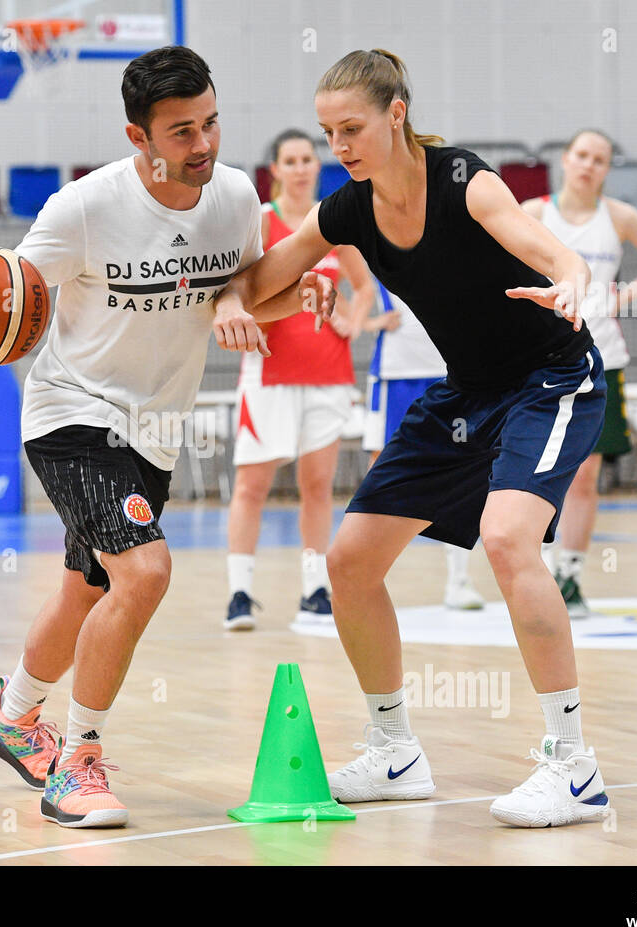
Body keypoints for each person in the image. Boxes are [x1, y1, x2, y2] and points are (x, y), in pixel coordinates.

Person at [0, 47, 331, 829]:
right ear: (137, 136)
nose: (204, 144)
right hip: (72, 415)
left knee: (90, 587)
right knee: (143, 573)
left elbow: (237, 295)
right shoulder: (84, 208)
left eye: (211, 122)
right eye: (182, 132)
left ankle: (11, 716)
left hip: (154, 431)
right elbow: (7, 292)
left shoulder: (236, 196)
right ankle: (76, 763)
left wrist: (291, 294)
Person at [214, 48, 614, 827]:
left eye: (352, 128)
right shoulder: (348, 208)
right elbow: (263, 287)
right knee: (350, 561)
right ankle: (393, 748)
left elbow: (545, 246)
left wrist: (571, 278)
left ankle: (573, 765)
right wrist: (243, 299)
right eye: (330, 133)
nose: (341, 147)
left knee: (507, 540)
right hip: (467, 392)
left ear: (396, 113)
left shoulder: (465, 180)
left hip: (551, 378)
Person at [224, 128, 376, 631]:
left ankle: (315, 588)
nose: (300, 167)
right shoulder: (260, 225)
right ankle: (240, 592)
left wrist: (354, 320)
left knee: (318, 485)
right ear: (275, 170)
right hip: (270, 374)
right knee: (253, 485)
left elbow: (363, 284)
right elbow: (241, 295)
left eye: (308, 158)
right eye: (290, 159)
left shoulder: (334, 221)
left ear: (317, 166)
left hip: (329, 375)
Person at [520, 129, 637, 617]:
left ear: (607, 168)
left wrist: (626, 297)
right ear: (565, 159)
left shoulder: (619, 217)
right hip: (543, 360)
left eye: (600, 159)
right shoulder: (534, 213)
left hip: (604, 359)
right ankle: (531, 567)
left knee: (586, 475)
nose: (588, 165)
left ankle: (571, 575)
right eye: (582, 155)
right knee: (533, 472)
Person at [361, 282, 486, 610]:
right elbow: (348, 279)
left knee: (462, 468)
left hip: (453, 369)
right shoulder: (370, 241)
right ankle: (361, 573)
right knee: (383, 470)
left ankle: (458, 579)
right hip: (396, 373)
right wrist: (366, 322)